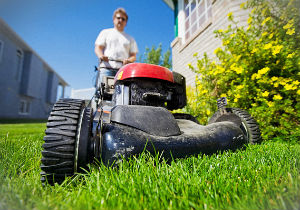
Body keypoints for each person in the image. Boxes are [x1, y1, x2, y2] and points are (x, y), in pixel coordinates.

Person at [94, 8, 138, 87]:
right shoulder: (105, 32)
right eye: (118, 18)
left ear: (126, 22)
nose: (120, 20)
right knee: (103, 93)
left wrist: (128, 60)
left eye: (123, 19)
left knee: (122, 95)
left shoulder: (130, 38)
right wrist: (101, 56)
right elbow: (98, 48)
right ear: (114, 19)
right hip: (106, 68)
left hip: (122, 72)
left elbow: (133, 56)